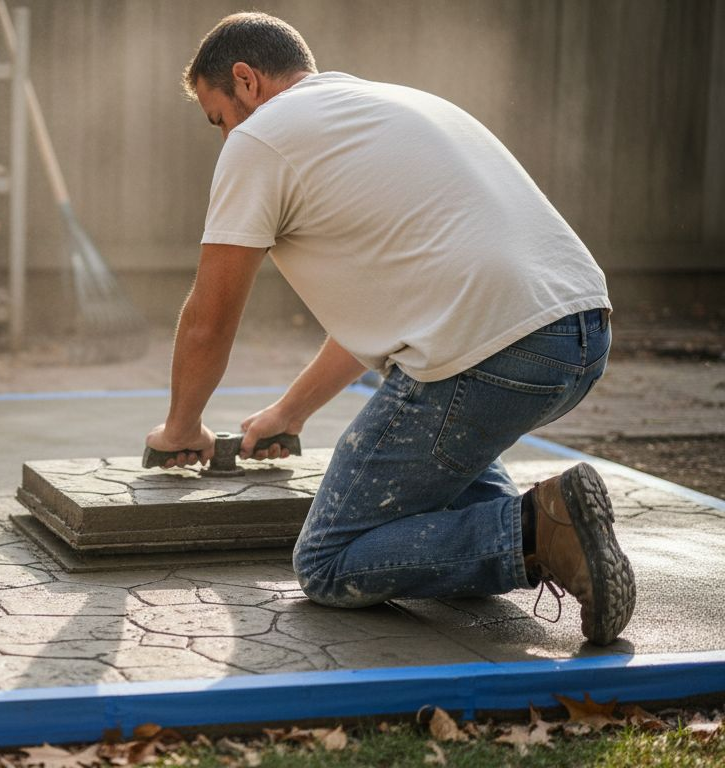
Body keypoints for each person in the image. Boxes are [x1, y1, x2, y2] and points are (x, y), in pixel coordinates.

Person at [144, 12, 634, 645]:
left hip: (489, 357)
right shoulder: (396, 103)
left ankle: (538, 531)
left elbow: (209, 319)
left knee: (329, 562)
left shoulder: (260, 137)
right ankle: (541, 524)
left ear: (246, 80)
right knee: (439, 510)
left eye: (219, 118)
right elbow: (391, 312)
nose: (225, 136)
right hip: (581, 335)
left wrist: (182, 427)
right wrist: (290, 412)